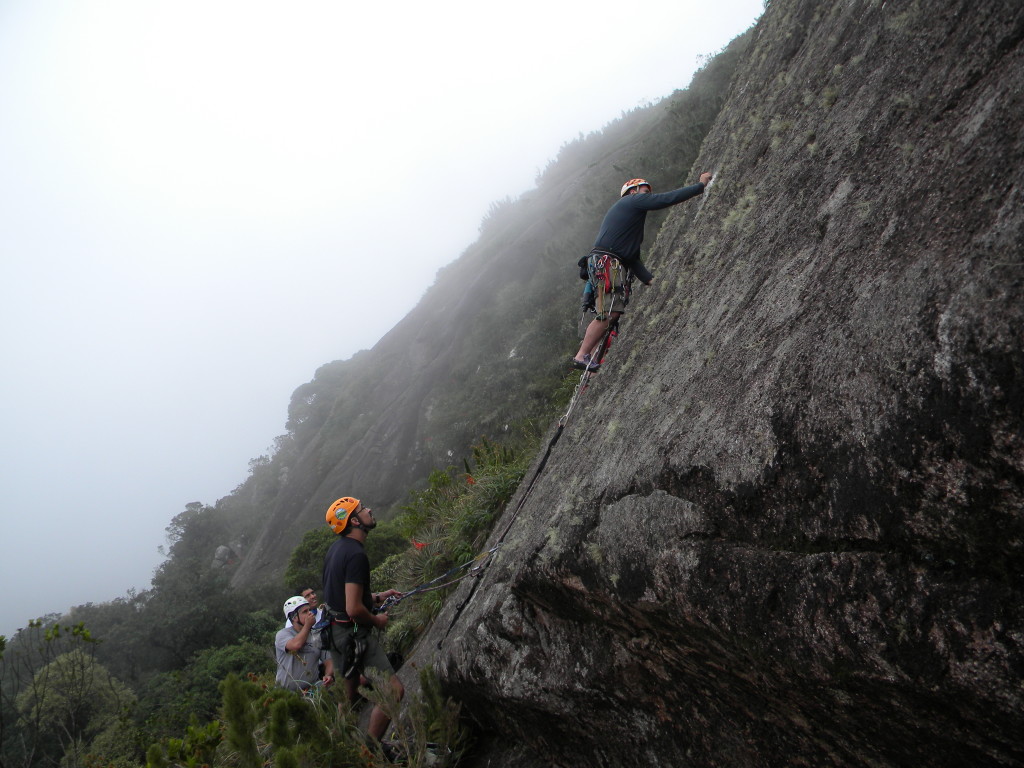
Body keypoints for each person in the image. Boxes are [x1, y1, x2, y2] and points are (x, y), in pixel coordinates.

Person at [573, 173, 713, 371]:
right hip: (607, 262)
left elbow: (632, 259)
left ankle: (588, 354)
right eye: (645, 191)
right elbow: (666, 199)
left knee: (610, 311)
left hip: (607, 262)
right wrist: (700, 186)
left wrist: (650, 281)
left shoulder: (629, 224)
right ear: (633, 191)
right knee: (610, 311)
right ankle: (582, 355)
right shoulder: (631, 201)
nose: (647, 195)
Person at [322, 497, 404, 744]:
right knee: (394, 692)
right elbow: (353, 608)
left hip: (335, 632)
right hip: (352, 634)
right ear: (355, 521)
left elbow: (342, 594)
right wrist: (377, 621)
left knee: (347, 701)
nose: (369, 509)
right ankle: (369, 751)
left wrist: (377, 597)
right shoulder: (356, 555)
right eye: (362, 509)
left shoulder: (337, 550)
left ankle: (339, 753)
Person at [274, 595, 335, 692]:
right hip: (287, 692)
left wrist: (328, 675)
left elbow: (328, 660)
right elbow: (295, 645)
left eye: (309, 610)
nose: (310, 613)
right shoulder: (283, 634)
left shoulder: (317, 636)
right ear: (294, 617)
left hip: (313, 688)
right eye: (305, 612)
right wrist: (307, 625)